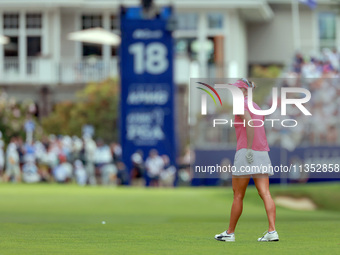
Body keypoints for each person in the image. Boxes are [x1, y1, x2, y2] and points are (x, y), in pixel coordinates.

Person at [214, 78, 278, 242]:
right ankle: (272, 231)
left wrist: (249, 148)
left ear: (243, 91)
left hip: (246, 151)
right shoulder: (256, 106)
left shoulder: (239, 104)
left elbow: (249, 123)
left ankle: (230, 233)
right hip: (262, 151)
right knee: (265, 193)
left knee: (238, 194)